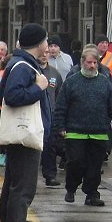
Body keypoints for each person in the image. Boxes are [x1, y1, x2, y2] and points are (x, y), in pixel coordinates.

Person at [0, 23, 51, 222]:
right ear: (39, 43)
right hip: (24, 138)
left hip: (22, 137)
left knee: (15, 185)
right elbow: (12, 96)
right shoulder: (22, 66)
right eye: (46, 42)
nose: (48, 47)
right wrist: (39, 88)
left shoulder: (22, 64)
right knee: (22, 188)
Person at [53, 47, 112, 207]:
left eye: (95, 63)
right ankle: (71, 188)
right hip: (75, 132)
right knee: (75, 162)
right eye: (89, 62)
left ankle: (92, 193)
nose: (92, 66)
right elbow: (61, 106)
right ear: (82, 63)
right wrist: (60, 126)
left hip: (99, 132)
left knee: (95, 165)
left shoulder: (105, 82)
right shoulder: (72, 81)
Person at [39, 44, 64, 187]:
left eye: (47, 53)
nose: (44, 55)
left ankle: (50, 175)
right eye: (42, 52)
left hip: (51, 116)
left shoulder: (54, 73)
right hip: (35, 114)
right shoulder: (33, 71)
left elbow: (59, 94)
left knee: (50, 146)